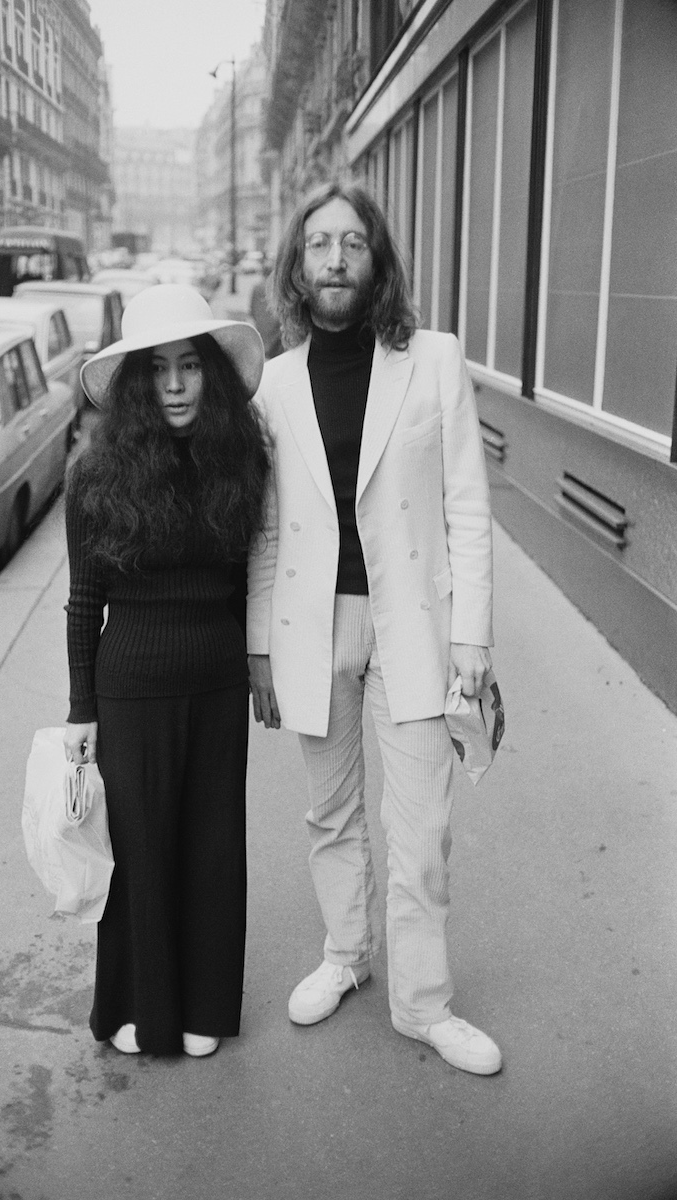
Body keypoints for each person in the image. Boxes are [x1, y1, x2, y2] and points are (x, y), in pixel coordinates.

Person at [247, 183, 501, 1075]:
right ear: (297, 266)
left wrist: (473, 635)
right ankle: (347, 956)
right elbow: (270, 529)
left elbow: (467, 504)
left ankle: (424, 1005)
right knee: (331, 812)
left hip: (416, 628)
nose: (336, 259)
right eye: (319, 244)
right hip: (313, 628)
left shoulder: (433, 359)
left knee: (422, 822)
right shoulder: (275, 384)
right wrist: (259, 647)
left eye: (354, 242)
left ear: (378, 260)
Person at [64, 284, 269, 1059]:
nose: (177, 384)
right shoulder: (94, 477)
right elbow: (84, 601)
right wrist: (83, 711)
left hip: (217, 683)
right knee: (138, 851)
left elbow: (252, 577)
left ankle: (205, 1007)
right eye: (159, 370)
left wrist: (259, 666)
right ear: (138, 386)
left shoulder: (240, 460)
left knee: (210, 850)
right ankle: (134, 1006)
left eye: (190, 366)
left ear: (209, 375)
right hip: (130, 690)